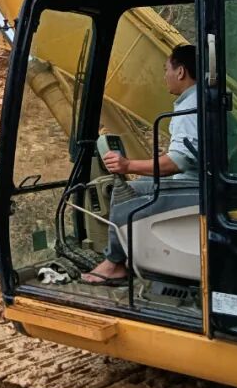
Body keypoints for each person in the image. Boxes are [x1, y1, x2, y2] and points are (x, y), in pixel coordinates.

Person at [81, 44, 199, 286]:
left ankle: (114, 262)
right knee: (145, 183)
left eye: (166, 69)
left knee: (128, 193)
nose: (164, 75)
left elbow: (179, 162)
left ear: (180, 72)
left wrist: (127, 165)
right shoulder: (206, 98)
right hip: (201, 181)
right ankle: (131, 255)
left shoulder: (191, 108)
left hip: (197, 189)